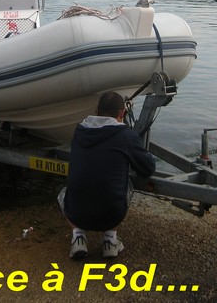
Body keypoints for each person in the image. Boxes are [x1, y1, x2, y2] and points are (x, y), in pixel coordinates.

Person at [58, 91, 155, 259]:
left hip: (77, 213)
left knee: (63, 193)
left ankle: (78, 237)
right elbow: (148, 168)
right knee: (126, 185)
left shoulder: (79, 131)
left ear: (97, 111)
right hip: (111, 214)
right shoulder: (126, 136)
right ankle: (110, 241)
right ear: (122, 113)